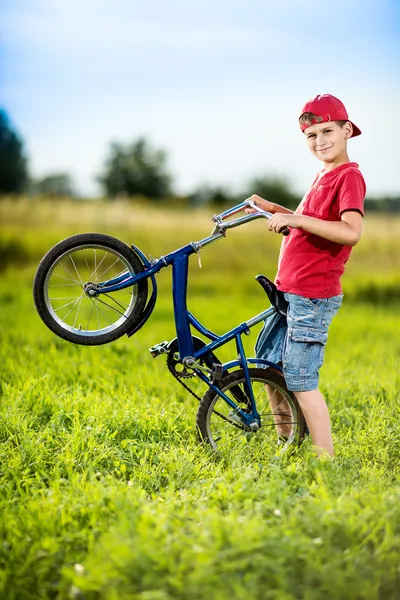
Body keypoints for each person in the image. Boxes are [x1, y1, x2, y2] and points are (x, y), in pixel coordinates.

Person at [247, 94, 366, 457]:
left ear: (346, 130)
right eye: (311, 136)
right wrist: (274, 209)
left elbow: (350, 231)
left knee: (300, 378)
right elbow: (309, 226)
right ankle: (287, 442)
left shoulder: (349, 178)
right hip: (290, 293)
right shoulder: (322, 175)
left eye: (327, 131)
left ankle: (324, 459)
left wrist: (295, 218)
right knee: (269, 363)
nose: (320, 141)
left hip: (313, 297)